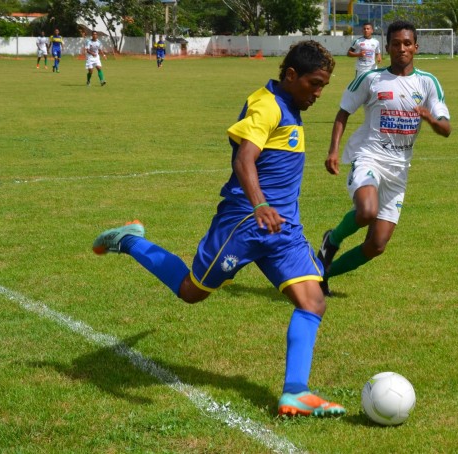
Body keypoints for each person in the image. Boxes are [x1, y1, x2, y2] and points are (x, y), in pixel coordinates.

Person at [92, 41, 346, 418]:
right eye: (314, 83)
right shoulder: (267, 104)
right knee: (191, 292)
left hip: (282, 228)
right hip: (245, 221)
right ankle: (129, 241)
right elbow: (245, 157)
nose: (319, 93)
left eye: (323, 85)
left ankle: (295, 391)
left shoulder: (290, 104)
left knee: (313, 301)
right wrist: (260, 205)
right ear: (291, 75)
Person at [317, 20, 451, 296]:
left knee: (376, 246)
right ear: (387, 47)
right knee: (366, 211)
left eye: (406, 43)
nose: (401, 48)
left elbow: (446, 128)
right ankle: (332, 239)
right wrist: (333, 150)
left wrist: (431, 120)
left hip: (399, 168)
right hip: (370, 157)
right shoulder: (372, 79)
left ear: (416, 47)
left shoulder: (427, 83)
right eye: (395, 43)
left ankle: (324, 275)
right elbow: (343, 112)